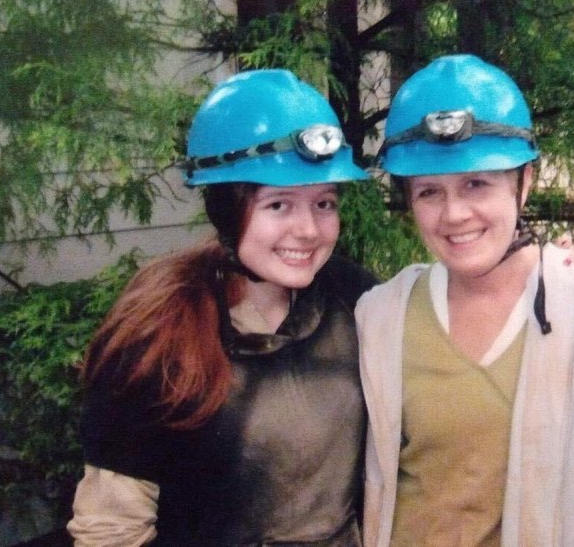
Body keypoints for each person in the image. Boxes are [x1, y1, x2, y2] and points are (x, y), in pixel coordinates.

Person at [356, 54, 574, 546]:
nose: (454, 214)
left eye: (476, 184)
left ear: (524, 183)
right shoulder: (381, 314)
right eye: (428, 193)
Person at [67, 69, 377, 545]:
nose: (309, 230)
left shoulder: (353, 300)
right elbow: (111, 528)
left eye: (324, 203)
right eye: (278, 205)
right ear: (226, 210)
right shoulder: (158, 329)